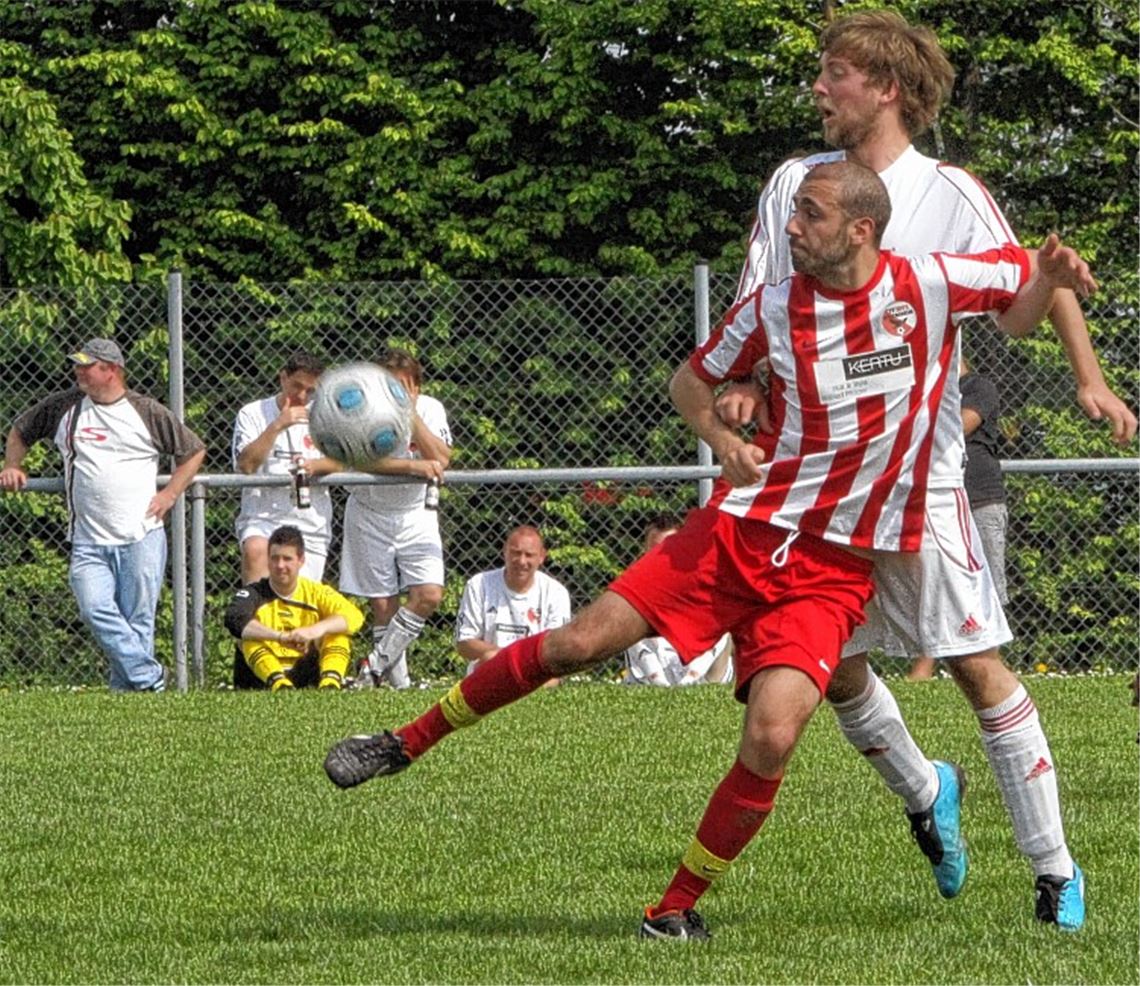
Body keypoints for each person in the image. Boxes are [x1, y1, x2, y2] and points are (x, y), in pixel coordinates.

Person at [323, 161, 1096, 940]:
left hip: (830, 573)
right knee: (574, 643)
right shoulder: (773, 306)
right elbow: (691, 381)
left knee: (772, 734)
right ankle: (400, 742)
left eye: (812, 215)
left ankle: (673, 909)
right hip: (740, 532)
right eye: (794, 213)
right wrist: (722, 438)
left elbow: (1022, 307)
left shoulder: (928, 283)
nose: (791, 228)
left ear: (861, 230)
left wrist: (1052, 278)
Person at [715, 9, 1136, 930]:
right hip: (812, 486)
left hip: (919, 479)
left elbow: (1027, 288)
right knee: (831, 670)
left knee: (976, 667)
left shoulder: (947, 193)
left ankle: (1056, 870)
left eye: (835, 74)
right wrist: (743, 385)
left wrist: (1090, 379)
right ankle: (924, 788)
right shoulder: (798, 183)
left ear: (887, 87)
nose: (818, 89)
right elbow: (759, 307)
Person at [0, 338, 206, 692]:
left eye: (87, 365)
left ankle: (130, 697)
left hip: (141, 535)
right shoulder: (64, 407)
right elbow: (20, 430)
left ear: (111, 370)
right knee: (94, 608)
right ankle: (150, 677)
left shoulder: (146, 411)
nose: (79, 371)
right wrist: (12, 465)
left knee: (137, 621)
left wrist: (170, 494)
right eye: (78, 364)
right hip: (88, 540)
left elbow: (193, 451)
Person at [339, 347, 451, 690]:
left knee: (429, 593)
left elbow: (443, 457)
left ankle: (372, 669)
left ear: (416, 387)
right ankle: (399, 687)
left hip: (416, 513)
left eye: (403, 386)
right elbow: (359, 460)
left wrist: (413, 417)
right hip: (370, 513)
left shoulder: (431, 410)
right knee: (383, 603)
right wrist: (412, 467)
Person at [909, 357, 1007, 680]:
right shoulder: (929, 393)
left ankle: (989, 667)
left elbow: (961, 426)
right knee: (939, 585)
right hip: (941, 504)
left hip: (980, 499)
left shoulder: (978, 387)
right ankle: (926, 668)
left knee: (986, 586)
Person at [232, 352, 341, 584]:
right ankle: (256, 618)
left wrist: (315, 466)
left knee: (300, 600)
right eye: (296, 386)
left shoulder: (326, 417)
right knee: (255, 550)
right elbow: (247, 465)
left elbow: (341, 460)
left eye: (310, 391)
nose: (302, 396)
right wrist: (278, 425)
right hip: (263, 516)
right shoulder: (252, 413)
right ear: (283, 378)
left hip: (310, 521)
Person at [225, 525, 363, 690]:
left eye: (287, 559)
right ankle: (278, 684)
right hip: (259, 678)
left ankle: (330, 684)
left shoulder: (316, 591)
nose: (280, 565)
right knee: (248, 637)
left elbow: (355, 617)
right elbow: (234, 619)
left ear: (301, 561)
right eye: (274, 558)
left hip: (304, 669)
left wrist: (313, 631)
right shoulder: (254, 592)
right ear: (268, 560)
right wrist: (280, 637)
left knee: (337, 633)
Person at [624, 514, 733, 687]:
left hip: (701, 673)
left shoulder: (703, 583)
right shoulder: (634, 587)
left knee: (722, 624)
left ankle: (688, 684)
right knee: (628, 617)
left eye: (666, 550)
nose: (659, 558)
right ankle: (662, 687)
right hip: (652, 673)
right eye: (654, 551)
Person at [454, 525, 572, 677]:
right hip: (492, 669)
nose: (522, 561)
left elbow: (557, 650)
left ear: (542, 557)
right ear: (505, 551)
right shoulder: (479, 584)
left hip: (533, 673)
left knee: (552, 677)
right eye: (516, 553)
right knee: (489, 657)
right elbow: (464, 644)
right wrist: (508, 659)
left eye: (529, 555)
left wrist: (519, 664)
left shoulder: (556, 592)